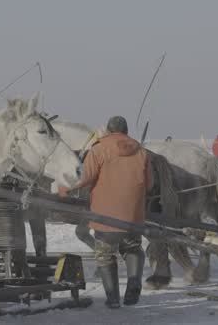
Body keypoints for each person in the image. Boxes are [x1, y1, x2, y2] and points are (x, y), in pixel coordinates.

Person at [58, 116, 152, 308]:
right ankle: (134, 282)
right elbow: (150, 184)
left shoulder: (99, 149)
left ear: (108, 131)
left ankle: (113, 299)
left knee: (105, 255)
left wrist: (65, 187)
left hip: (105, 217)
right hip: (134, 217)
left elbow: (85, 177)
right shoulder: (142, 152)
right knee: (133, 248)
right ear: (126, 132)